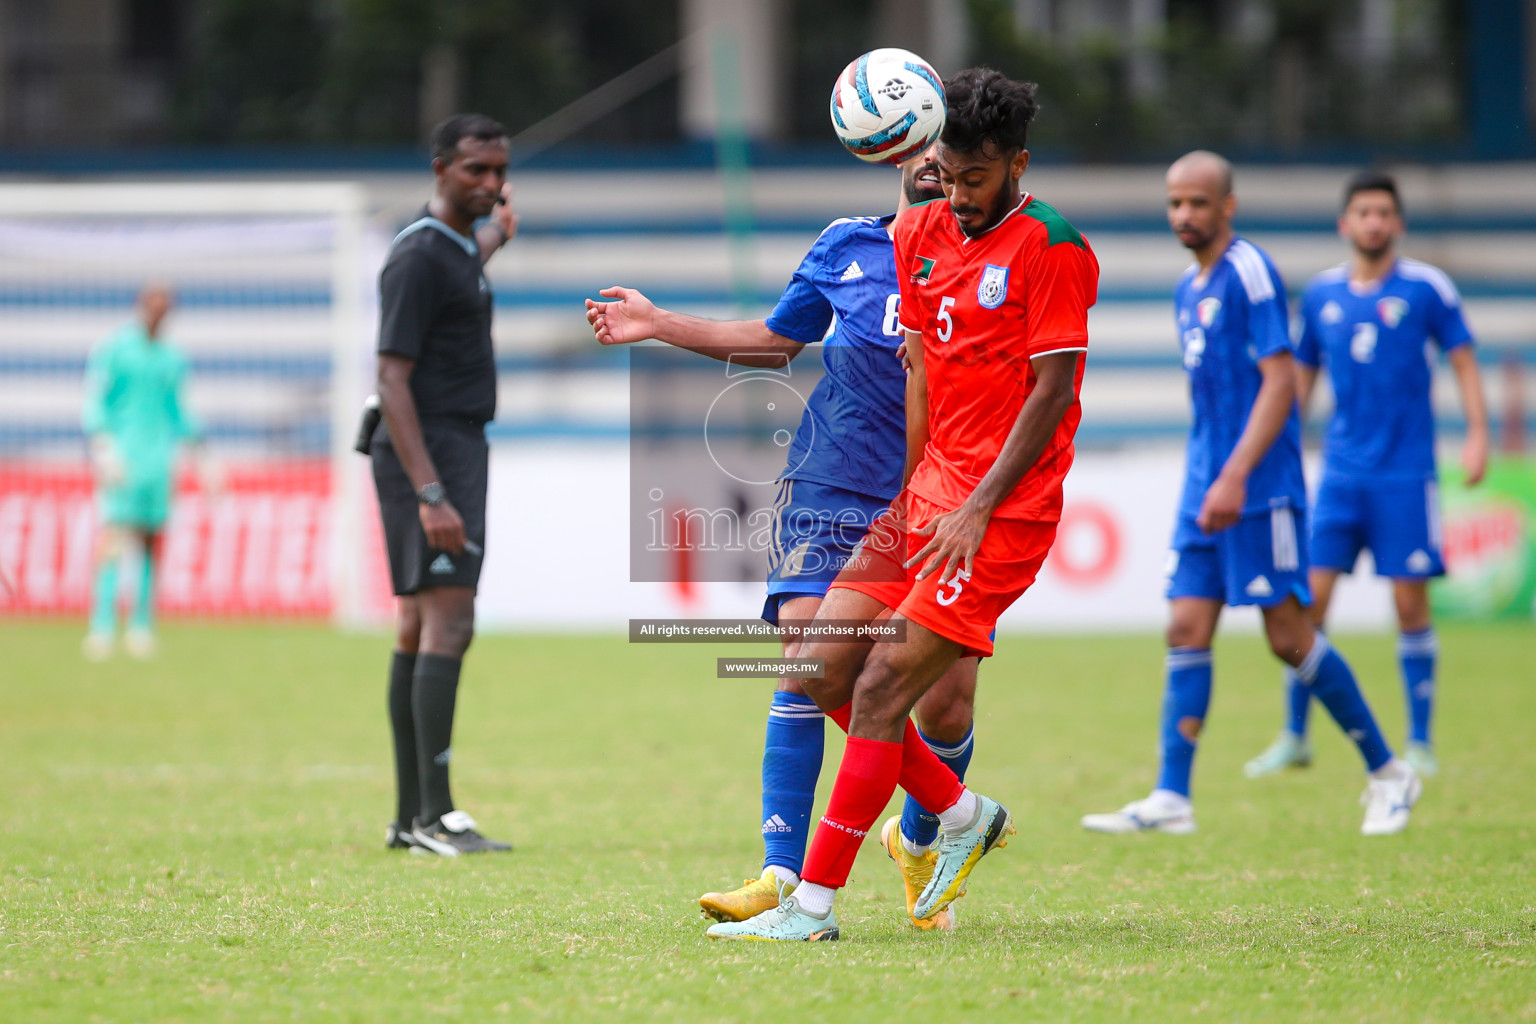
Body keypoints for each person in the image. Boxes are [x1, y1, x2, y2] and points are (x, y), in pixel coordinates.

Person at [706, 67, 1099, 941]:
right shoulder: (918, 230)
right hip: (926, 497)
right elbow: (921, 369)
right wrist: (920, 490)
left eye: (977, 179)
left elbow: (1051, 392)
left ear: (1018, 165)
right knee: (816, 666)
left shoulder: (1055, 246)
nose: (957, 195)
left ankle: (812, 907)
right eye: (948, 175)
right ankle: (961, 818)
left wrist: (975, 504)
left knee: (888, 689)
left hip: (1003, 512)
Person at [585, 145, 977, 931]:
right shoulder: (846, 244)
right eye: (924, 146)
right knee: (802, 650)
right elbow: (775, 340)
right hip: (831, 481)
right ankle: (781, 874)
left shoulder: (989, 258)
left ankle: (928, 837)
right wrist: (659, 322)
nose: (935, 160)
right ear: (896, 153)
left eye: (952, 148)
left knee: (944, 702)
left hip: (941, 490)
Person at [1080, 152, 1421, 840]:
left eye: (1199, 203)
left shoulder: (1249, 270)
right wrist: (1210, 476)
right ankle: (1172, 796)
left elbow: (1278, 381)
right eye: (1175, 203)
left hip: (1259, 488)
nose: (1185, 215)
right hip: (1206, 483)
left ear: (1227, 207)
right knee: (1185, 627)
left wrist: (1236, 474)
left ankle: (1389, 772)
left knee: (1289, 636)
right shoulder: (1187, 287)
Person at [1244, 171, 1488, 781]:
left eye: (1384, 213)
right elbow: (1299, 382)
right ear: (1345, 224)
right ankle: (1295, 736)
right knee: (1308, 605)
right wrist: (1279, 451)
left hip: (1407, 475)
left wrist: (1479, 435)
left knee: (1410, 604)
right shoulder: (1324, 296)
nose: (1374, 222)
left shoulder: (1428, 288)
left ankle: (1421, 743)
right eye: (1363, 212)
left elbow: (1462, 359)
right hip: (1340, 477)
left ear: (1398, 223)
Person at [369, 113, 518, 856]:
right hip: (429, 453)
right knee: (450, 622)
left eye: (498, 171)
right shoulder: (418, 258)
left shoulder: (460, 247)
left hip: (451, 447)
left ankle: (409, 818)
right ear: (439, 170)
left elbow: (472, 255)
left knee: (417, 625)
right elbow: (390, 377)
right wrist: (431, 494)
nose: (490, 183)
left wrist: (497, 234)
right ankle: (436, 817)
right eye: (474, 172)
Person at [82, 283, 210, 660]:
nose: (158, 315)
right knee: (114, 536)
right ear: (141, 308)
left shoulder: (172, 358)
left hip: (158, 461)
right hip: (122, 456)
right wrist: (103, 446)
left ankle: (141, 624)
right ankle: (102, 624)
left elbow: (179, 409)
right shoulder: (115, 350)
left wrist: (202, 453)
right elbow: (96, 400)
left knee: (151, 541)